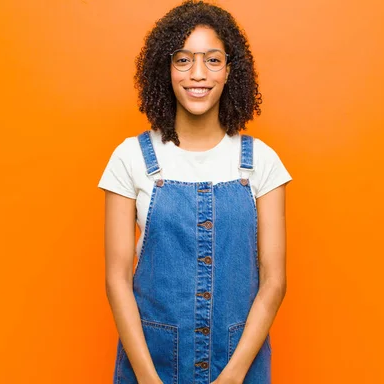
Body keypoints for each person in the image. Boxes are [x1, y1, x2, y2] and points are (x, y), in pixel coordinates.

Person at [98, 1, 292, 383]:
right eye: (183, 60)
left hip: (239, 365)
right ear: (164, 69)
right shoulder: (131, 158)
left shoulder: (261, 162)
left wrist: (234, 376)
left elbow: (274, 281)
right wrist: (149, 379)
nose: (198, 74)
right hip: (151, 365)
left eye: (212, 60)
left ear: (230, 70)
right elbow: (116, 280)